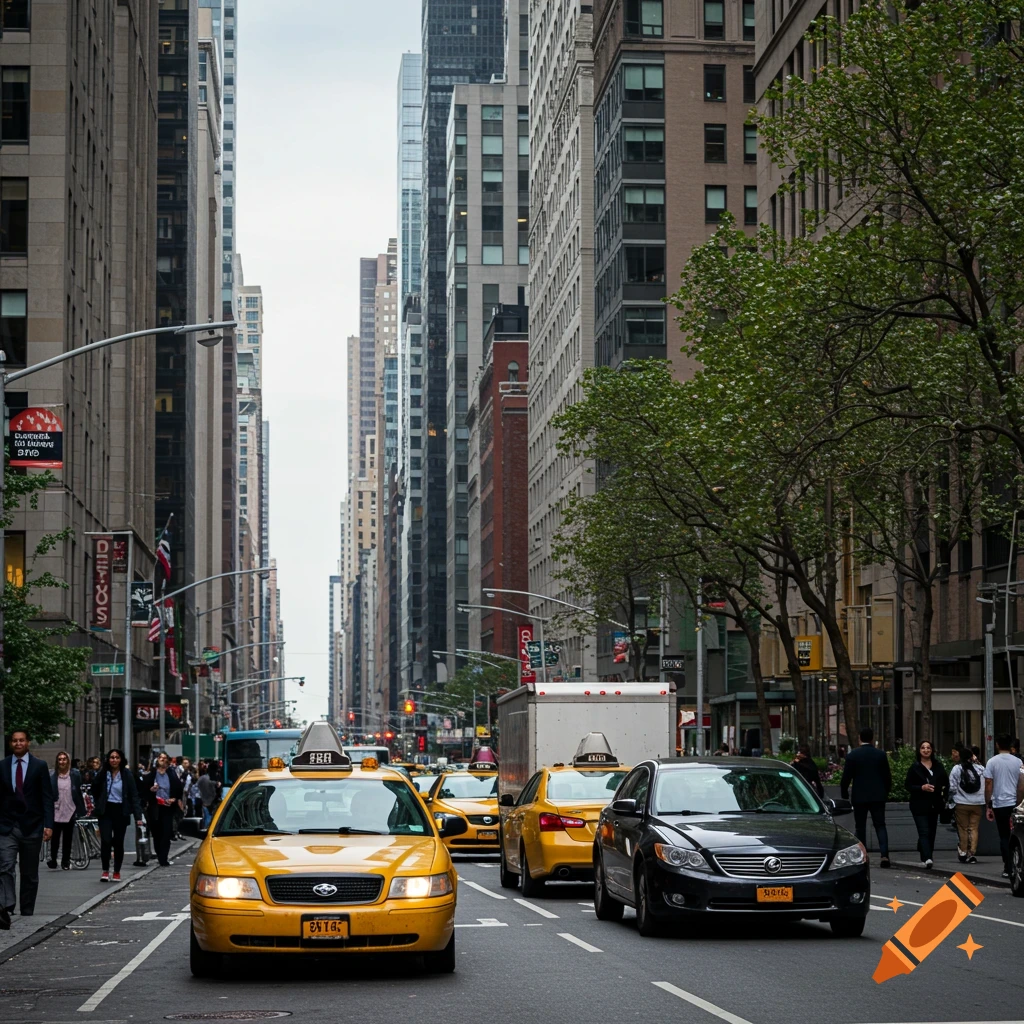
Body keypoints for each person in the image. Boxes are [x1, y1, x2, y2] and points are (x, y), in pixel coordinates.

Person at [0, 729, 53, 928]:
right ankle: (7, 905)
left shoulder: (39, 766)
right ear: (10, 743)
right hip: (7, 826)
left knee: (29, 871)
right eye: (15, 741)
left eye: (21, 740)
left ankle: (27, 908)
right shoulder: (3, 766)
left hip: (32, 826)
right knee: (5, 866)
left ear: (28, 742)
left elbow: (47, 797)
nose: (18, 743)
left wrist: (49, 824)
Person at [840, 726, 892, 868]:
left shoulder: (853, 755)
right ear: (872, 738)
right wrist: (885, 792)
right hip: (878, 796)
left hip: (860, 796)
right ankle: (884, 855)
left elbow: (846, 777)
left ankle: (863, 856)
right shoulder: (880, 755)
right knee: (880, 825)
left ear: (859, 738)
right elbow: (887, 777)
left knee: (860, 826)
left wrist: (844, 792)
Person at [92, 748, 144, 882]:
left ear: (121, 760)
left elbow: (134, 795)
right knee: (106, 840)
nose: (114, 760)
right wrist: (99, 803)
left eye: (117, 757)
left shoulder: (126, 774)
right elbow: (95, 789)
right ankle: (105, 870)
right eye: (112, 757)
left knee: (118, 842)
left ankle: (116, 871)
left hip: (121, 811)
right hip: (106, 810)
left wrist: (138, 817)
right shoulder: (103, 773)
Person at [983, 734, 1024, 879]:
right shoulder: (1018, 762)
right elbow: (1021, 784)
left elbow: (988, 783)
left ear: (998, 745)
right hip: (1014, 803)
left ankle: (1007, 867)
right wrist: (1019, 802)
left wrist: (988, 804)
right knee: (1017, 836)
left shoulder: (992, 762)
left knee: (1004, 836)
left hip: (999, 804)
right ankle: (1016, 865)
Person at [905, 739, 948, 870]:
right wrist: (921, 787)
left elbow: (946, 783)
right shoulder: (915, 767)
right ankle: (928, 858)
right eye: (923, 748)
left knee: (931, 831)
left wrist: (942, 793)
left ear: (932, 750)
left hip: (934, 804)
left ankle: (925, 849)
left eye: (928, 748)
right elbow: (908, 785)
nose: (926, 750)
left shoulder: (938, 766)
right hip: (919, 804)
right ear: (919, 750)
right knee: (923, 830)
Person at [143, 753, 184, 866]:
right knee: (156, 833)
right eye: (160, 758)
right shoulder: (151, 774)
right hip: (155, 807)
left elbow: (178, 789)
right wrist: (151, 790)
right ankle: (159, 853)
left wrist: (174, 799)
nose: (162, 760)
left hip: (167, 807)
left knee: (166, 832)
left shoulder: (171, 774)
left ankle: (163, 858)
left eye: (164, 758)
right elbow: (144, 790)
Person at [48, 751, 87, 870]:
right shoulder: (53, 776)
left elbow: (78, 791)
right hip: (56, 809)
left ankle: (65, 860)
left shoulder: (75, 775)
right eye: (60, 759)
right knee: (55, 837)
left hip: (70, 808)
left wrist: (81, 808)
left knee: (68, 837)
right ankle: (53, 859)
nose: (62, 761)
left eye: (64, 759)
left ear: (68, 761)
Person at [947, 744, 985, 865]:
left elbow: (952, 787)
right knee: (973, 828)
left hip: (961, 803)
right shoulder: (981, 769)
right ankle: (972, 853)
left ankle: (963, 851)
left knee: (963, 828)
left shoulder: (956, 769)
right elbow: (985, 785)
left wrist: (951, 800)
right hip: (978, 803)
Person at [196, 762, 220, 828]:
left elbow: (196, 790)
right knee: (211, 819)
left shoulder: (201, 778)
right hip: (213, 803)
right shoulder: (215, 780)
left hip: (204, 802)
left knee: (206, 818)